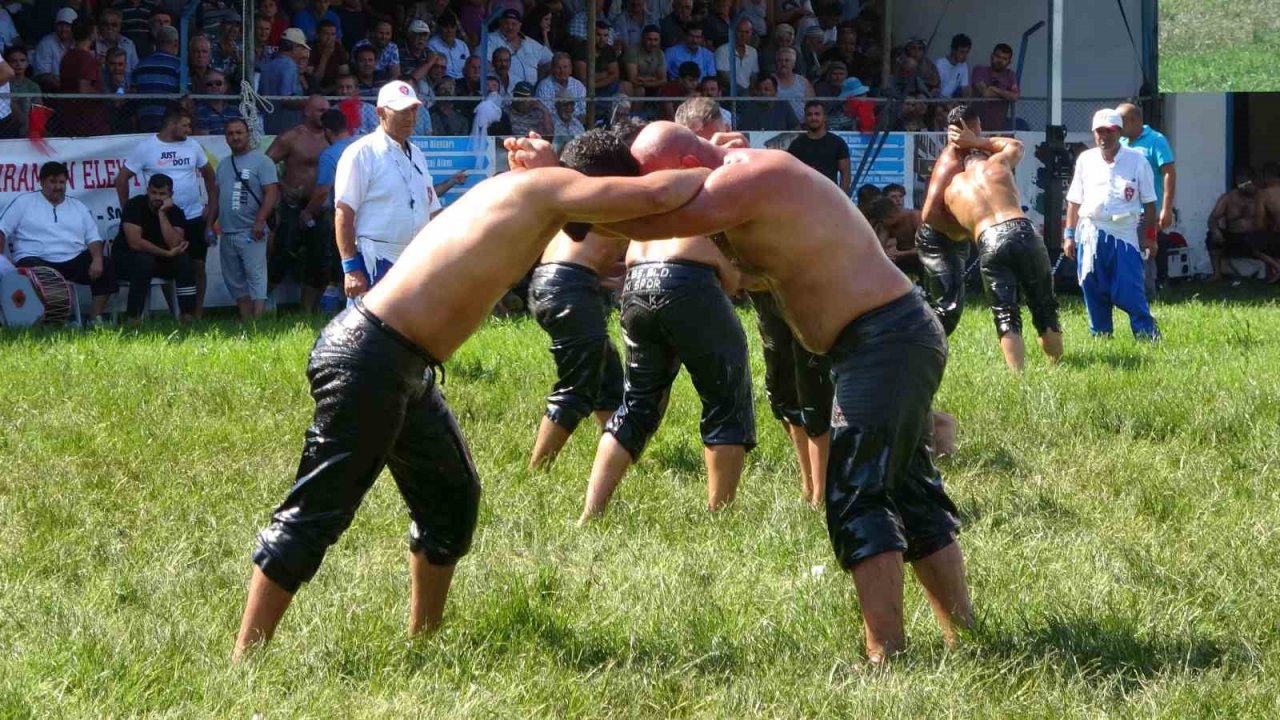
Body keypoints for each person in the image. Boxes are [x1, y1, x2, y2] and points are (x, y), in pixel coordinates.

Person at [231, 129, 711, 661]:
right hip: (370, 358)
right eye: (610, 198)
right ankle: (245, 661)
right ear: (597, 184)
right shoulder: (548, 189)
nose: (620, 228)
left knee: (451, 501)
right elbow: (654, 198)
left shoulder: (536, 193)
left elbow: (612, 216)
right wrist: (718, 165)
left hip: (402, 364)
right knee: (318, 510)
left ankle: (424, 643)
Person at [585, 120, 972, 663]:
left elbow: (659, 216)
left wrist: (560, 201)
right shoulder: (733, 187)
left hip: (887, 336)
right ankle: (965, 634)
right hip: (877, 340)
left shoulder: (748, 176)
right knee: (911, 489)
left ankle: (885, 654)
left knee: (856, 492)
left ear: (682, 168)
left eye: (658, 181)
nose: (658, 193)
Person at [579, 106, 756, 522]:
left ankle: (591, 511)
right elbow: (731, 278)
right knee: (725, 400)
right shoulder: (710, 183)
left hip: (637, 284)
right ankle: (720, 517)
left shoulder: (651, 189)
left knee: (637, 403)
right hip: (689, 283)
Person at [943, 107, 1062, 371]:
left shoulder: (952, 190)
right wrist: (977, 140)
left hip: (987, 238)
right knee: (1044, 305)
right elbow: (1016, 146)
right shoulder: (997, 163)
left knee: (1005, 311)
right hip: (1021, 228)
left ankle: (1017, 377)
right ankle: (1056, 366)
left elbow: (957, 230)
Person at [334, 81, 463, 299]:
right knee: (369, 331)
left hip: (415, 260)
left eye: (413, 110)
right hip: (375, 260)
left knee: (415, 331)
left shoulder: (418, 155)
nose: (409, 117)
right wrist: (350, 269)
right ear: (380, 112)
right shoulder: (361, 152)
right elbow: (343, 213)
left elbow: (433, 211)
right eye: (401, 111)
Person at [527, 224, 627, 468]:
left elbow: (591, 255)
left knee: (608, 377)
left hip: (552, 280)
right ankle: (538, 469)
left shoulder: (605, 194)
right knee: (579, 386)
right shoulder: (639, 196)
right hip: (569, 285)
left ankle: (618, 452)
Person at [115, 103, 219, 319]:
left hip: (191, 216)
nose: (190, 130)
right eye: (185, 125)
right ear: (171, 124)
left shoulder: (193, 146)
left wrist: (210, 205)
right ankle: (176, 312)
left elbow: (209, 175)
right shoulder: (147, 147)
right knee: (168, 263)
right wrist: (129, 211)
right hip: (160, 219)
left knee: (197, 266)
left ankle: (195, 315)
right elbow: (122, 178)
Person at [1064, 108, 1159, 340]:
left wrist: (1150, 236)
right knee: (1092, 285)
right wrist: (1069, 234)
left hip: (1124, 233)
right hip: (1090, 232)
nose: (1104, 136)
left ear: (1119, 132)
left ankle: (1146, 334)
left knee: (1130, 288)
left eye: (1110, 131)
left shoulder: (1137, 160)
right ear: (1094, 132)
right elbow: (1074, 200)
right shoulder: (1085, 160)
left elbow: (1149, 203)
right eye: (1099, 131)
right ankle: (1101, 336)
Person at [0, 161, 117, 324]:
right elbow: (2, 230)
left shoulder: (77, 206)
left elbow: (93, 238)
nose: (58, 187)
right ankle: (55, 323)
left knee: (106, 266)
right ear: (41, 182)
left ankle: (93, 319)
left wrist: (97, 260)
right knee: (45, 278)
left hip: (72, 258)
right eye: (53, 182)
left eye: (62, 182)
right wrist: (2, 260)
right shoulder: (23, 202)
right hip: (35, 258)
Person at [266, 94, 331, 310]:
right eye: (320, 110)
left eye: (327, 110)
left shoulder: (331, 137)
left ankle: (306, 310)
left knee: (319, 256)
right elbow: (264, 166)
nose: (325, 114)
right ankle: (262, 303)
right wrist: (283, 187)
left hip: (319, 206)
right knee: (282, 252)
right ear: (307, 111)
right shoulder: (291, 137)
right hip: (292, 205)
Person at [212, 118, 279, 319]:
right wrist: (209, 224)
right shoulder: (223, 165)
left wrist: (260, 221)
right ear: (226, 138)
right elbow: (216, 198)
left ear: (248, 134)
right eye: (231, 134)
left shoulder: (262, 161)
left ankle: (258, 319)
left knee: (256, 276)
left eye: (239, 133)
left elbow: (271, 193)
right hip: (227, 231)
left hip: (252, 231)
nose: (235, 137)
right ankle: (245, 318)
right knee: (234, 280)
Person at [113, 173, 197, 323]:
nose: (157, 197)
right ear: (147, 191)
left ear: (171, 195)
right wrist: (166, 253)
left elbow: (176, 245)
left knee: (184, 260)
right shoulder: (134, 205)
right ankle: (133, 317)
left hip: (160, 260)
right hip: (127, 259)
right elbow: (135, 242)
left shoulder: (175, 212)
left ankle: (188, 316)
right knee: (144, 261)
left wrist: (163, 214)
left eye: (162, 194)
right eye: (153, 193)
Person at [1116, 102, 1176, 295]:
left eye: (1120, 122)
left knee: (1145, 252)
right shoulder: (1121, 143)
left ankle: (1147, 296)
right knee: (1124, 254)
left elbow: (1169, 173)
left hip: (1147, 211)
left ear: (1133, 121)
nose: (1116, 127)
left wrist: (1166, 209)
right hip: (1123, 210)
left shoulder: (1156, 140)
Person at [300, 109, 356, 309]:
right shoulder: (362, 146)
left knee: (330, 266)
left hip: (340, 216)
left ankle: (318, 311)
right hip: (367, 216)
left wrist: (307, 212)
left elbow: (323, 191)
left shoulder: (330, 155)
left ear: (327, 131)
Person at [1207, 167, 1265, 282]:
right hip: (1233, 237)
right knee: (1211, 237)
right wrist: (1215, 231)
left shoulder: (1261, 197)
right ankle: (1217, 274)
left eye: (1245, 182)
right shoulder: (1228, 198)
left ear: (1252, 181)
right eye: (1239, 182)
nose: (1242, 185)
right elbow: (1212, 218)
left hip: (1255, 237)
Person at [788, 100, 850, 196]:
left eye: (817, 114)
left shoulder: (838, 143)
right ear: (805, 118)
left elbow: (845, 174)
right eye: (810, 114)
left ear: (824, 117)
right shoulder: (796, 145)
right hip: (804, 199)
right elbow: (791, 175)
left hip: (830, 198)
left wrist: (842, 198)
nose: (813, 118)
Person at [259, 28, 311, 134]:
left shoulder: (268, 65)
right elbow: (286, 99)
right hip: (287, 128)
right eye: (301, 48)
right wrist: (310, 103)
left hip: (268, 126)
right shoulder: (290, 65)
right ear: (294, 47)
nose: (302, 53)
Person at [131, 24, 181, 132]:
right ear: (176, 43)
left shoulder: (140, 65)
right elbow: (186, 96)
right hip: (171, 124)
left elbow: (133, 96)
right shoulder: (179, 65)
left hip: (144, 122)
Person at [970, 43, 1018, 132]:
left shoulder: (1010, 75)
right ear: (992, 56)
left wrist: (994, 89)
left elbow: (1015, 96)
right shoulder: (979, 70)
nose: (1000, 61)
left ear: (1009, 62)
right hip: (976, 128)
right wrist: (1006, 94)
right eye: (998, 56)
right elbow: (986, 93)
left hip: (998, 130)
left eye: (1004, 59)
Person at [32, 7, 76, 91]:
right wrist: (65, 91)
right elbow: (43, 75)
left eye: (67, 25)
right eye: (60, 25)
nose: (63, 29)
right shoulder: (46, 43)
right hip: (52, 92)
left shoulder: (79, 42)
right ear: (55, 26)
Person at [536, 52, 586, 120]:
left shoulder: (578, 86)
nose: (562, 71)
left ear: (571, 69)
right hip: (553, 126)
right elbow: (545, 113)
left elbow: (583, 111)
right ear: (553, 69)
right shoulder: (544, 87)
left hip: (576, 125)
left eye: (565, 67)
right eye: (558, 68)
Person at [714, 17, 757, 95]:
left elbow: (754, 75)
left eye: (747, 32)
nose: (743, 35)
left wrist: (750, 90)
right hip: (728, 93)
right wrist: (742, 92)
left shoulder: (753, 52)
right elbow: (723, 76)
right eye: (740, 31)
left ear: (751, 33)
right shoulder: (722, 50)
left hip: (747, 94)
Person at [194, 70, 243, 134]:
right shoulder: (199, 111)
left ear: (225, 87)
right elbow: (203, 137)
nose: (214, 86)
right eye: (209, 84)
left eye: (218, 83)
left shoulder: (235, 110)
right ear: (204, 88)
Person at [624, 25, 666, 98]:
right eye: (649, 39)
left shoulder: (660, 53)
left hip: (649, 86)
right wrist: (653, 79)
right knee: (640, 90)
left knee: (665, 90)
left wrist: (645, 81)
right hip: (632, 87)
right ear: (643, 39)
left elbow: (663, 79)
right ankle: (636, 110)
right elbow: (632, 79)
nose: (652, 43)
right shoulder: (632, 50)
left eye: (656, 40)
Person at [934, 33, 970, 98]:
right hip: (938, 102)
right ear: (953, 50)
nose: (965, 56)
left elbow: (964, 89)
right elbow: (935, 92)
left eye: (967, 52)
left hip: (951, 102)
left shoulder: (963, 65)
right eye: (962, 52)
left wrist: (966, 99)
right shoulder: (940, 64)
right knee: (940, 108)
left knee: (963, 107)